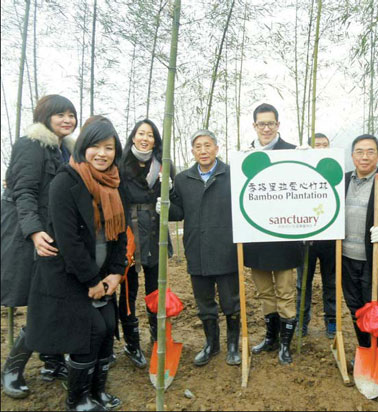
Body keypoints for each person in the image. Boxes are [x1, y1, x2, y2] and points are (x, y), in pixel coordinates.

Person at [25, 116, 126, 411]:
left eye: (108, 147)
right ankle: (77, 398)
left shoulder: (116, 183)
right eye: (95, 146)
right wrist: (92, 281)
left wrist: (117, 273)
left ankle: (98, 391)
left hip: (104, 272)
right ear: (83, 148)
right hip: (69, 275)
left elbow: (120, 235)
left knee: (107, 326)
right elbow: (68, 241)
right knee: (90, 330)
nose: (102, 154)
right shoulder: (64, 182)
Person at [1, 95, 77, 398]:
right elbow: (24, 192)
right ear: (45, 117)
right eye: (60, 114)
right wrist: (33, 232)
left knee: (56, 296)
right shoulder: (30, 145)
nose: (67, 120)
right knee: (42, 301)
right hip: (28, 236)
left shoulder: (65, 150)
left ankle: (52, 362)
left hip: (54, 232)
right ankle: (12, 368)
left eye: (71, 115)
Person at [164, 129, 241, 366]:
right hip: (197, 249)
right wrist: (164, 202)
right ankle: (211, 344)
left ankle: (232, 345)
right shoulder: (183, 179)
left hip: (226, 248)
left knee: (231, 301)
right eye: (198, 146)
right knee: (204, 302)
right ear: (193, 151)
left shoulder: (231, 174)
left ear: (217, 148)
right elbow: (178, 213)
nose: (203, 150)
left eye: (208, 145)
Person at [244, 103, 303, 365]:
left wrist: (307, 158)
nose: (266, 128)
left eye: (270, 123)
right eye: (261, 124)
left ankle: (286, 346)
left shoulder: (294, 152)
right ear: (254, 126)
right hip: (256, 238)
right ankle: (271, 338)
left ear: (278, 125)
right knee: (264, 292)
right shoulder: (245, 155)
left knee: (286, 292)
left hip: (285, 238)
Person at [118, 119, 174, 368]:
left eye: (150, 135)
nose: (145, 138)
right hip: (129, 228)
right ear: (133, 137)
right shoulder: (121, 164)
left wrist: (168, 190)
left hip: (154, 227)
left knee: (155, 285)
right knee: (129, 286)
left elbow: (172, 197)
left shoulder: (162, 165)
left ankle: (157, 337)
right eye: (141, 133)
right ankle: (132, 343)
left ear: (155, 139)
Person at [342, 134, 378, 353]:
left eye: (370, 152)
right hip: (346, 258)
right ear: (352, 155)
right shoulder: (342, 180)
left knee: (376, 309)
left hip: (375, 260)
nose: (364, 157)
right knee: (355, 308)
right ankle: (365, 351)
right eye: (359, 152)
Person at [295, 133, 337, 339]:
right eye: (317, 145)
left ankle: (332, 321)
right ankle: (301, 321)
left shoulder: (335, 172)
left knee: (331, 282)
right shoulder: (301, 172)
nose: (321, 148)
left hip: (331, 238)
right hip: (305, 238)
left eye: (325, 145)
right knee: (303, 282)